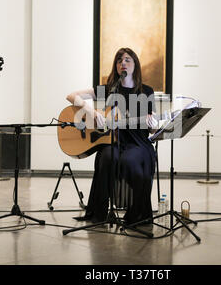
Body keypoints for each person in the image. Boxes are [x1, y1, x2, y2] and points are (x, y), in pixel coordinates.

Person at [66, 47, 158, 224]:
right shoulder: (109, 89)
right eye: (119, 60)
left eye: (127, 60)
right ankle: (99, 213)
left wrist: (153, 126)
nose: (123, 63)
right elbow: (71, 96)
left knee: (130, 161)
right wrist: (91, 112)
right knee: (106, 157)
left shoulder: (146, 91)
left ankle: (136, 215)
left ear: (135, 65)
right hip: (112, 141)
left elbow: (152, 129)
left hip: (138, 143)